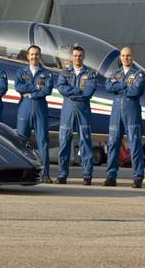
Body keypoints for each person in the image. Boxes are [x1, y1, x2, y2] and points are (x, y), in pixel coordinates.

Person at [103, 46, 145, 188]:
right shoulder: (115, 73)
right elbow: (108, 87)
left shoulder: (139, 74)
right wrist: (124, 85)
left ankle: (138, 177)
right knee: (113, 143)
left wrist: (118, 86)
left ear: (132, 57)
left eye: (128, 56)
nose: (125, 58)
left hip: (131, 110)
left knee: (134, 144)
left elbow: (136, 90)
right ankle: (111, 177)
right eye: (123, 56)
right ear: (120, 57)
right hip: (116, 111)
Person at [56, 45, 97, 185]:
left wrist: (72, 93)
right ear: (71, 57)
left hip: (83, 109)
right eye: (75, 55)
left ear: (83, 57)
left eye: (80, 56)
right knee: (64, 142)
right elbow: (61, 87)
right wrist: (78, 91)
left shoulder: (90, 74)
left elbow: (89, 91)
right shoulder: (65, 73)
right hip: (68, 109)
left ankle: (87, 175)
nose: (77, 58)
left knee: (85, 142)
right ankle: (62, 175)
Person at [14, 45, 54, 183]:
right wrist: (35, 88)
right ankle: (21, 173)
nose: (34, 57)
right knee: (21, 140)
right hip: (24, 106)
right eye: (31, 54)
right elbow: (18, 87)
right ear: (27, 56)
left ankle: (45, 174)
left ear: (40, 56)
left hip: (40, 106)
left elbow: (47, 90)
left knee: (43, 141)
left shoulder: (46, 73)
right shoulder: (21, 71)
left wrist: (30, 93)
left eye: (36, 54)